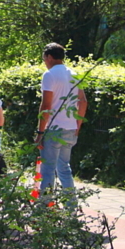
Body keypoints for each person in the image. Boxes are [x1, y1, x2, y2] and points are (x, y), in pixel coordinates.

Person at [35, 43, 88, 208]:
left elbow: (46, 105)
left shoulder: (49, 75)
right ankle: (71, 207)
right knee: (64, 168)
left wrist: (40, 131)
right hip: (70, 127)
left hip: (53, 128)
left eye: (44, 58)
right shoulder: (74, 74)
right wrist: (77, 126)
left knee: (48, 169)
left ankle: (43, 208)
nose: (44, 61)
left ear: (49, 57)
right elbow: (83, 101)